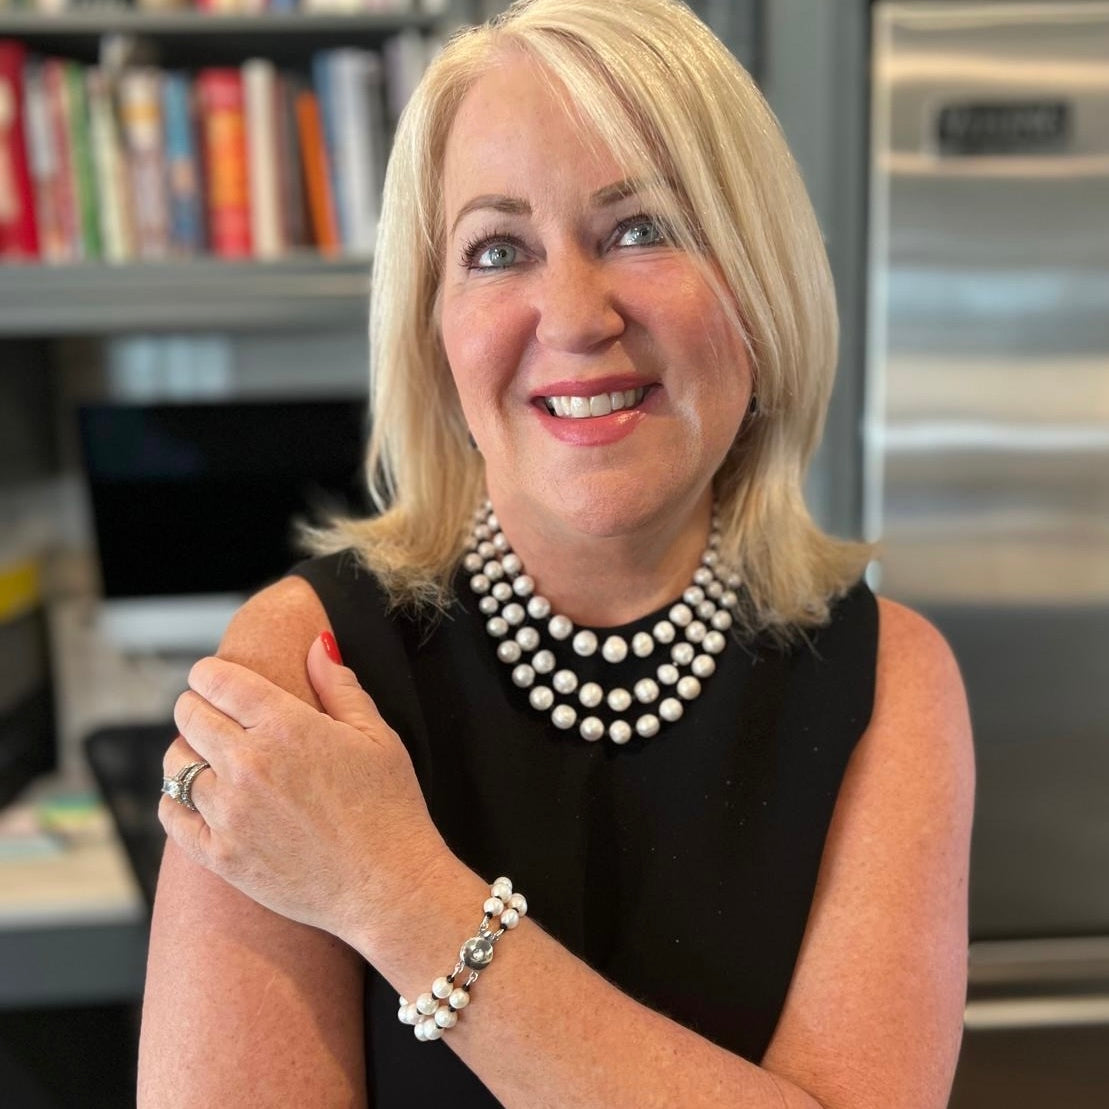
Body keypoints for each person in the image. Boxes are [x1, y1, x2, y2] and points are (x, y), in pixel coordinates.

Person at [139, 1, 974, 1105]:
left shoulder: (892, 679)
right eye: (497, 250)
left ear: (759, 284)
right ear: (434, 333)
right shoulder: (302, 660)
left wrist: (393, 889)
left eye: (642, 229)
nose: (575, 316)